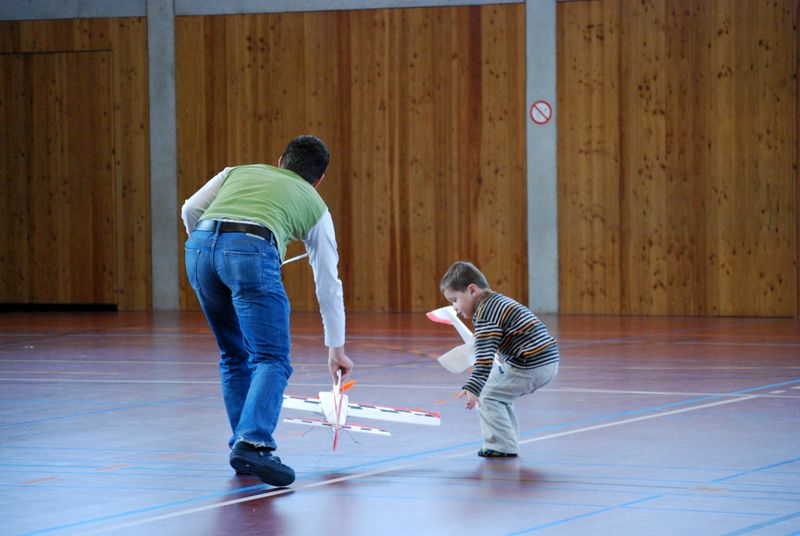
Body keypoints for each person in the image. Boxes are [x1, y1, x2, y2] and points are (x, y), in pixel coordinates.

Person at [181, 135, 352, 486]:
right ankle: (254, 443)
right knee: (272, 359)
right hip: (252, 251)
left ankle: (243, 447)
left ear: (280, 161)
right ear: (319, 180)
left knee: (234, 354)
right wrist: (336, 348)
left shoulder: (236, 171)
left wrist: (210, 248)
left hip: (198, 250)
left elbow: (189, 210)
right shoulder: (315, 204)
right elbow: (328, 282)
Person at [439, 261, 559, 458]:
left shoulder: (486, 313)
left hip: (531, 365)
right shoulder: (496, 302)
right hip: (546, 360)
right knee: (497, 391)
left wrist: (474, 386)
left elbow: (485, 356)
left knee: (487, 393)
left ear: (472, 290)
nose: (455, 308)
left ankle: (502, 446)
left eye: (455, 300)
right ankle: (507, 441)